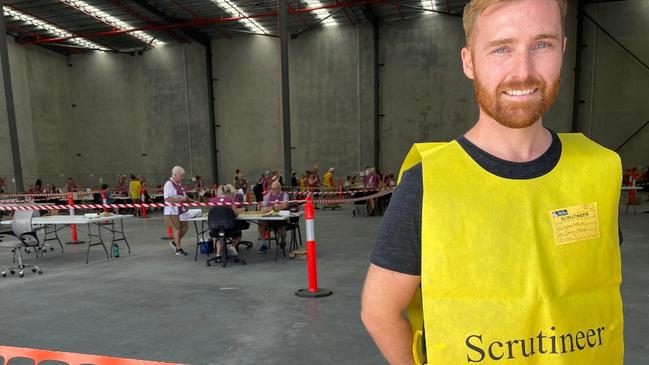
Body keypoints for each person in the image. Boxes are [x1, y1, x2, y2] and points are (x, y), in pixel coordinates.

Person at [361, 1, 623, 364]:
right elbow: (378, 311)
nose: (523, 70)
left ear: (563, 48)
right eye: (502, 48)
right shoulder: (430, 183)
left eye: (542, 44)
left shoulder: (599, 171)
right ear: (469, 62)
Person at [208, 184, 249, 262]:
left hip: (215, 227)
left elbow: (211, 213)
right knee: (238, 233)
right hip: (229, 226)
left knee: (219, 236)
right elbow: (236, 213)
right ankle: (232, 245)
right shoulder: (230, 200)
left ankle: (218, 255)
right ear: (227, 192)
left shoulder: (212, 201)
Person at [164, 166, 192, 256]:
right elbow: (167, 198)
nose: (182, 177)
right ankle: (178, 249)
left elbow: (183, 197)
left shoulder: (179, 184)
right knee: (177, 228)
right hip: (172, 210)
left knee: (185, 227)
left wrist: (191, 200)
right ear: (175, 175)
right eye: (181, 175)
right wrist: (180, 199)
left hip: (181, 210)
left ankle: (175, 242)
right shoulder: (169, 184)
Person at [256, 181, 289, 253]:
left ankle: (283, 241)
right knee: (261, 222)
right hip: (269, 218)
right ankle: (263, 244)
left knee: (282, 231)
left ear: (279, 188)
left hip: (281, 218)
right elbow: (263, 209)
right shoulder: (267, 195)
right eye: (272, 189)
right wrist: (260, 207)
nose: (273, 190)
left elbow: (284, 205)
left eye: (275, 189)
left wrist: (270, 208)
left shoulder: (284, 195)